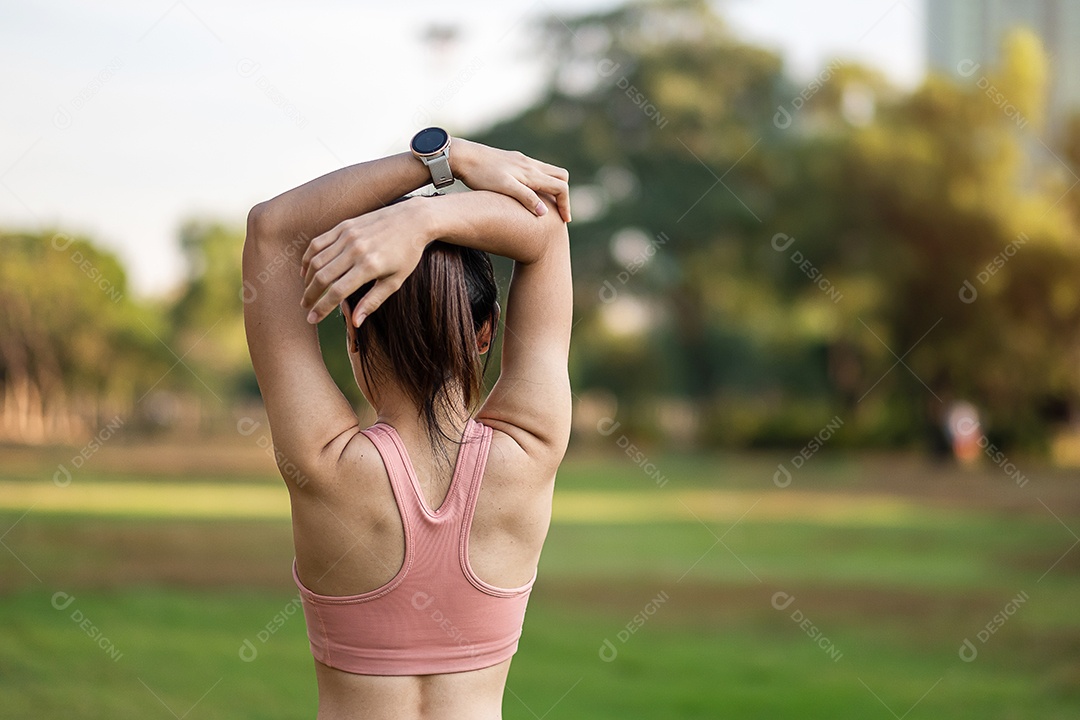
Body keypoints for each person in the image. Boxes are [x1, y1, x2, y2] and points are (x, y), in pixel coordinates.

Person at [242, 131, 572, 720]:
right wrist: (427, 215)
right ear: (485, 334)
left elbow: (271, 231)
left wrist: (431, 166)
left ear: (353, 331)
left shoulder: (322, 463)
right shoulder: (531, 450)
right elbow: (545, 229)